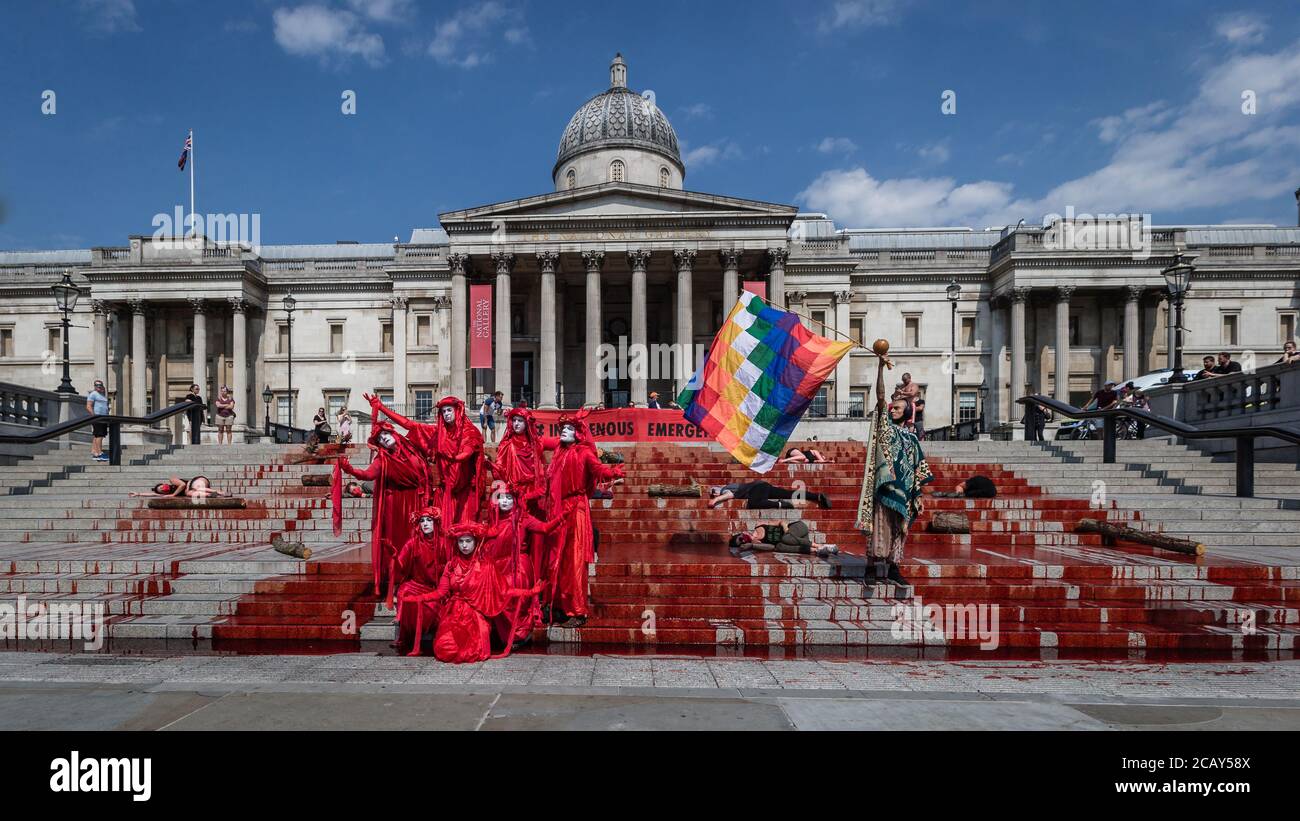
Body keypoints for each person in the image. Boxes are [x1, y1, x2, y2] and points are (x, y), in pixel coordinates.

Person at [332, 421, 432, 605]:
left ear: (393, 433)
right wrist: (349, 469)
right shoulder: (382, 459)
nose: (384, 439)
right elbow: (368, 475)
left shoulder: (412, 449)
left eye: (385, 434)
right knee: (398, 545)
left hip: (416, 503)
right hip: (395, 507)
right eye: (380, 439)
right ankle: (396, 584)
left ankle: (418, 582)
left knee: (418, 543)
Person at [542, 412, 624, 628]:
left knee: (575, 560)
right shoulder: (560, 450)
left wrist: (612, 472)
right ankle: (560, 605)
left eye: (569, 429)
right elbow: (540, 441)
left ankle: (577, 610)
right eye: (562, 429)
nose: (564, 432)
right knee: (557, 559)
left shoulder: (584, 452)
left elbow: (598, 469)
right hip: (559, 510)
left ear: (578, 434)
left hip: (576, 509)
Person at [425, 522, 543, 664]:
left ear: (476, 542)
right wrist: (419, 598)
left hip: (475, 615)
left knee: (472, 652)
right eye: (461, 541)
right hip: (453, 614)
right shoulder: (451, 565)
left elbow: (503, 590)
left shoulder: (486, 565)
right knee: (445, 649)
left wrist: (530, 592)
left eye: (468, 541)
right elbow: (441, 592)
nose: (464, 545)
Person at [365, 393, 484, 525]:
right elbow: (409, 424)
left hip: (465, 493)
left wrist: (453, 457)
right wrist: (381, 407)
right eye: (443, 411)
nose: (446, 414)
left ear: (458, 411)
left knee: (465, 531)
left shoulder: (469, 431)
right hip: (446, 492)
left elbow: (468, 451)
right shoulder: (438, 433)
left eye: (449, 410)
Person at [856, 397, 933, 590]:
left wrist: (919, 495)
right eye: (892, 407)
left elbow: (917, 467)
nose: (892, 410)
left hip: (905, 490)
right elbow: (881, 398)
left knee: (900, 531)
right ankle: (870, 568)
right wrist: (881, 368)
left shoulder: (913, 438)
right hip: (885, 486)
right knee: (878, 527)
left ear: (907, 413)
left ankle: (893, 569)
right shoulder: (886, 429)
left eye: (897, 408)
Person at [484, 487, 563, 647]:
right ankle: (505, 634)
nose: (504, 501)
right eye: (501, 498)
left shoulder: (524, 519)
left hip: (518, 566)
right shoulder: (493, 521)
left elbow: (544, 528)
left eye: (509, 498)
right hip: (499, 567)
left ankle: (519, 634)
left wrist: (562, 517)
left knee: (514, 594)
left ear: (516, 501)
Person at [392, 507, 446, 656]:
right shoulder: (412, 543)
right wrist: (394, 558)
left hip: (436, 588)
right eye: (422, 521)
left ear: (435, 522)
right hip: (416, 585)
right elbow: (401, 567)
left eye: (429, 520)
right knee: (405, 590)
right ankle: (402, 624)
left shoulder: (443, 543)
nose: (425, 524)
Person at [728, 520, 838, 559]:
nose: (743, 540)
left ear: (743, 533)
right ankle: (817, 551)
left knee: (785, 538)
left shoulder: (759, 524)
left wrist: (786, 529)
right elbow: (772, 547)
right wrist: (753, 544)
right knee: (779, 547)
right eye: (741, 542)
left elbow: (781, 522)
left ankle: (819, 546)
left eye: (741, 538)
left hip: (797, 528)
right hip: (798, 540)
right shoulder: (758, 543)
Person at [707, 481, 831, 510]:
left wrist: (716, 500)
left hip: (757, 489)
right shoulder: (734, 485)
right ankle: (817, 497)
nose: (714, 495)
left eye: (713, 493)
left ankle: (781, 504)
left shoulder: (725, 489)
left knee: (753, 503)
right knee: (789, 494)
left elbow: (728, 495)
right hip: (762, 486)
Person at [85, 378, 110, 462]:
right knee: (99, 435)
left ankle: (94, 451)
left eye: (100, 385)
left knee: (98, 435)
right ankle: (100, 453)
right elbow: (88, 406)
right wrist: (94, 416)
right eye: (97, 385)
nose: (99, 386)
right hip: (98, 418)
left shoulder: (103, 395)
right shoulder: (93, 394)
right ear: (94, 386)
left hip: (104, 418)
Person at [930, 474, 997, 498]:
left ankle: (958, 493)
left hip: (987, 490)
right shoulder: (976, 481)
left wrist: (959, 490)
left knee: (963, 491)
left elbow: (960, 486)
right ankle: (958, 493)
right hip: (991, 492)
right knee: (964, 492)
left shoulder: (973, 481)